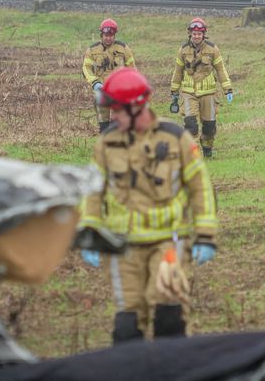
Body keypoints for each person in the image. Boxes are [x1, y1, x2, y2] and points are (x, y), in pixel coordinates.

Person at [78, 68, 219, 344]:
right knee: (127, 326)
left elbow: (200, 188)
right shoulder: (106, 144)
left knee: (169, 318)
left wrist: (205, 236)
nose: (112, 117)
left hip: (168, 242)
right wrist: (89, 232)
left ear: (135, 107)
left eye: (116, 111)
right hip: (122, 247)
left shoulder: (175, 138)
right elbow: (93, 191)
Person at [169, 17, 233, 159]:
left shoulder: (212, 49)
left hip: (208, 93)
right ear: (190, 34)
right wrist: (174, 91)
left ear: (204, 34)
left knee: (209, 127)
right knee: (190, 124)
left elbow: (221, 70)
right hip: (188, 93)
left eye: (199, 33)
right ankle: (192, 153)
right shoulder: (183, 50)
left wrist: (227, 88)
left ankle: (207, 150)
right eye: (194, 33)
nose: (197, 36)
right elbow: (178, 71)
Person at [82, 18, 137, 133]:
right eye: (106, 35)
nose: (108, 38)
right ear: (101, 34)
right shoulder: (92, 50)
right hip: (101, 92)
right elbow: (86, 69)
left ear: (114, 35)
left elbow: (132, 69)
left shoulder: (123, 48)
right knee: (104, 126)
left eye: (111, 35)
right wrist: (95, 82)